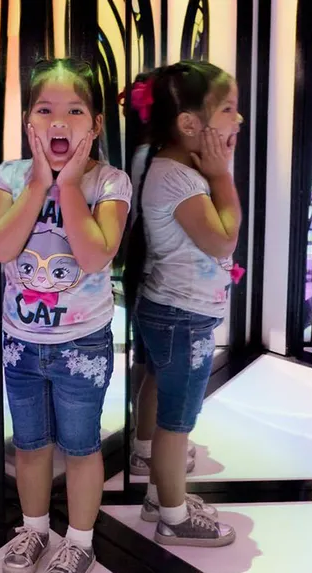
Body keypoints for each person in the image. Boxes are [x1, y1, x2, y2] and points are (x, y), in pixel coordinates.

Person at [0, 58, 132, 573]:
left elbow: (94, 256)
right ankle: (34, 530)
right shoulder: (11, 175)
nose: (59, 122)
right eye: (45, 110)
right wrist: (37, 184)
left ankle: (80, 540)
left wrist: (66, 185)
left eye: (74, 110)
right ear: (29, 121)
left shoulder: (109, 184)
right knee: (29, 446)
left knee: (81, 445)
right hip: (20, 341)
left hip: (82, 345)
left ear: (94, 124)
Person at [122, 60, 244, 547]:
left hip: (171, 310)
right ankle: (172, 513)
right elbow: (222, 242)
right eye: (229, 109)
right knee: (178, 423)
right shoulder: (181, 178)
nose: (238, 121)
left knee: (159, 391)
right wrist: (223, 176)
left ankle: (159, 491)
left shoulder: (170, 167)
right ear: (190, 124)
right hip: (182, 316)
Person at [121, 72, 197, 478]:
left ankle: (145, 440)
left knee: (151, 363)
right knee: (157, 367)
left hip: (145, 264)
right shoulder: (158, 159)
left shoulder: (145, 155)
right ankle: (148, 445)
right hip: (159, 272)